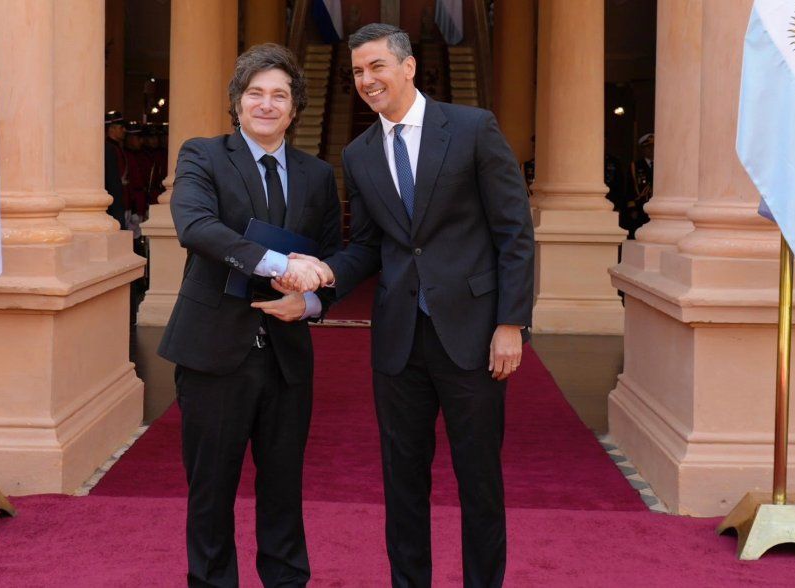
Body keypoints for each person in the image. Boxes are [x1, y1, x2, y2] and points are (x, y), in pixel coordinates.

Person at [284, 23, 534, 588]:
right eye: (357, 72)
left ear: (408, 67)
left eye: (376, 67)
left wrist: (511, 323)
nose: (366, 80)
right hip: (397, 343)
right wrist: (318, 284)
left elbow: (514, 231)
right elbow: (370, 245)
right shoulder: (360, 152)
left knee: (479, 482)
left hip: (473, 335)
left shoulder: (472, 129)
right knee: (402, 484)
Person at [157, 43, 341, 587]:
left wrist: (308, 299)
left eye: (279, 95)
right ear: (237, 102)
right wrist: (280, 263)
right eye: (255, 93)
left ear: (294, 108)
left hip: (287, 360)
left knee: (283, 488)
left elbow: (332, 259)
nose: (267, 104)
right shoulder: (201, 154)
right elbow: (196, 226)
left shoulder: (317, 174)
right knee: (211, 489)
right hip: (213, 353)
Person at [622, 132, 654, 239]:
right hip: (640, 207)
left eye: (653, 147)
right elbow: (630, 189)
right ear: (643, 150)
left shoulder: (661, 165)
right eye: (649, 148)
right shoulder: (635, 166)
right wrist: (632, 208)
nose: (652, 150)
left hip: (655, 207)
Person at [104, 110, 128, 229]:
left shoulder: (116, 148)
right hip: (113, 201)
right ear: (111, 129)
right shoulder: (109, 149)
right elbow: (112, 180)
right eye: (121, 127)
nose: (124, 130)